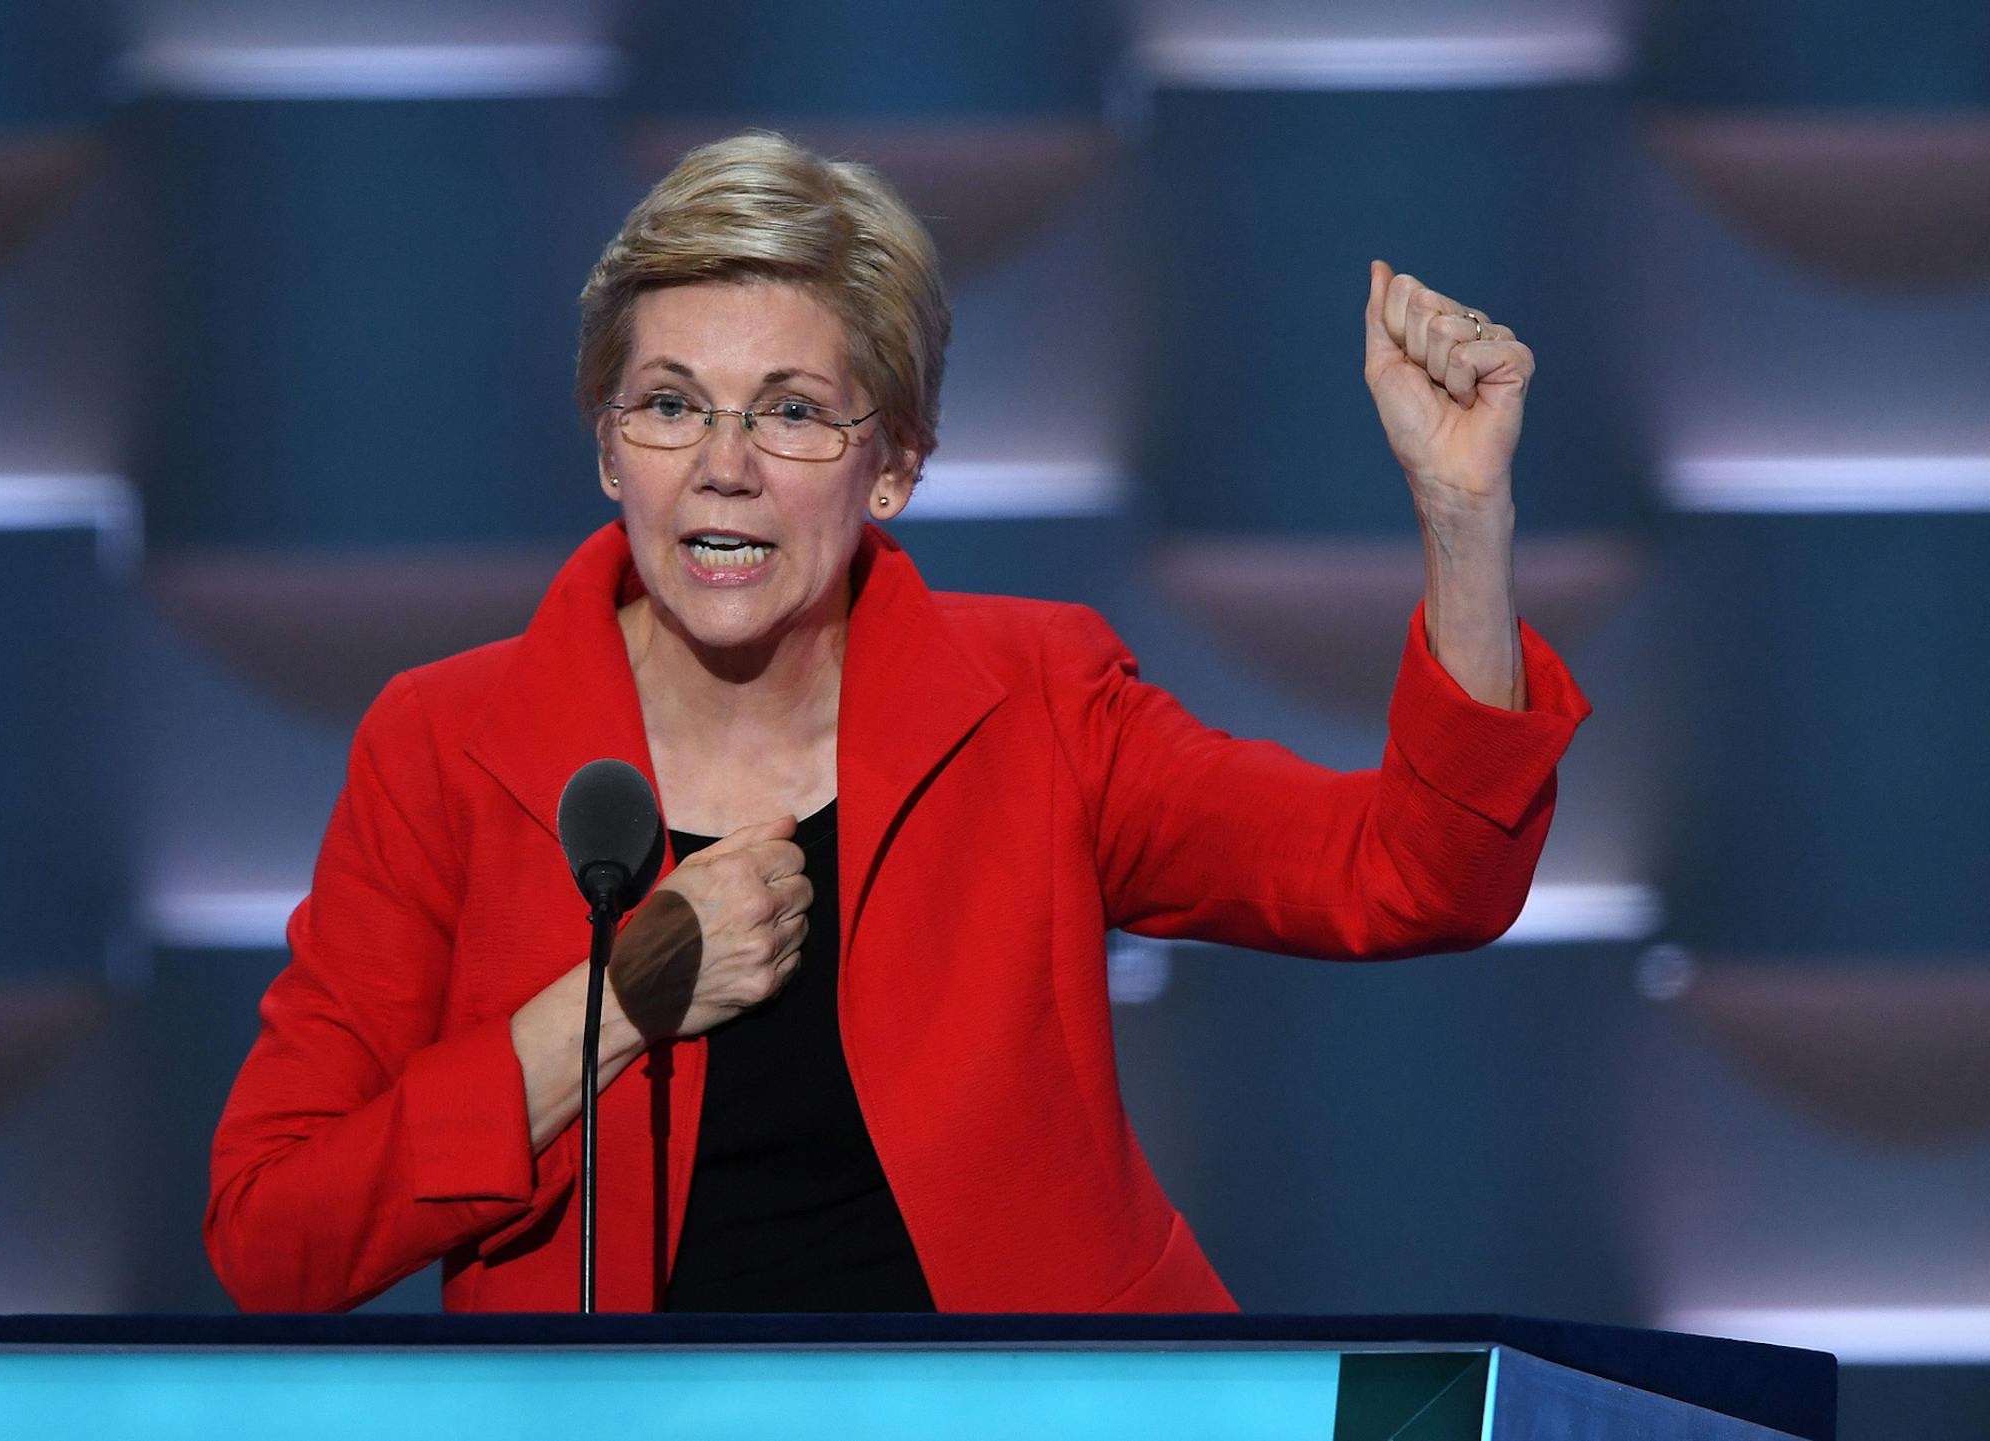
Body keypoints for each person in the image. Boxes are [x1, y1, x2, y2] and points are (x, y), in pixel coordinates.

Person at [206, 131, 1592, 1314]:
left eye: (794, 411)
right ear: (608, 443)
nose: (726, 468)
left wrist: (1464, 518)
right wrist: (613, 1008)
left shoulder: (1037, 698)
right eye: (673, 404)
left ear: (896, 465)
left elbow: (1419, 875)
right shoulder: (443, 743)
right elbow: (273, 1232)